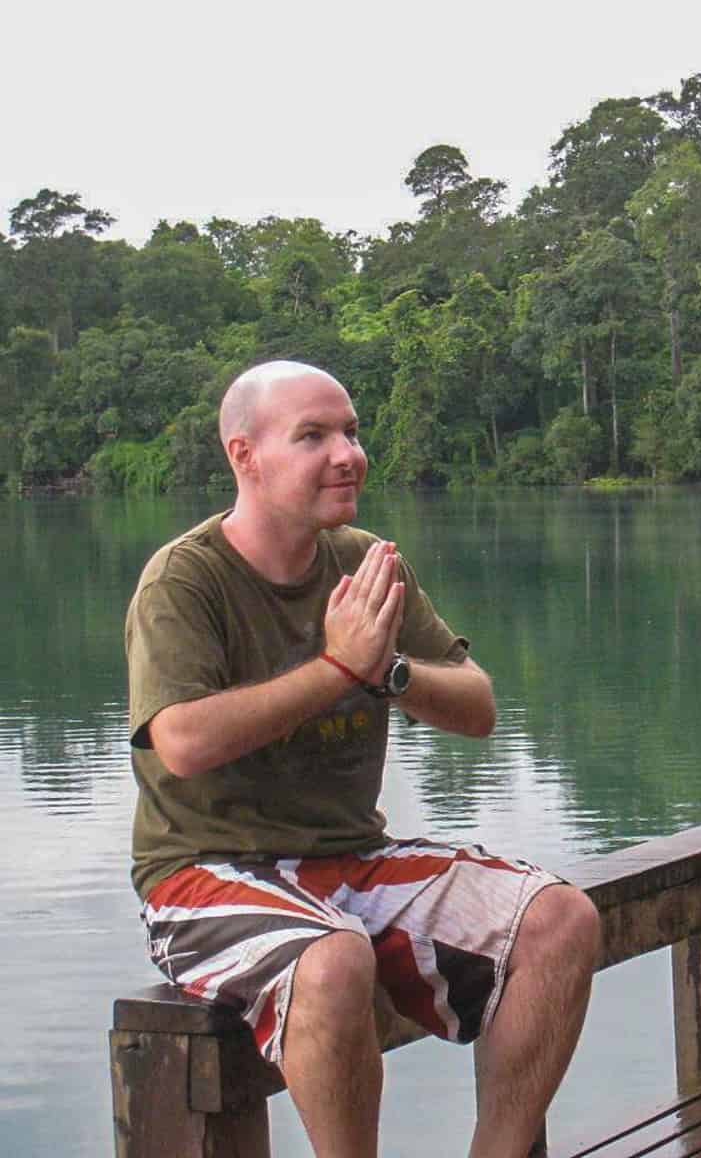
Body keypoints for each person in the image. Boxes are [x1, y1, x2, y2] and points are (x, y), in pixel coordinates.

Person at [124, 359, 599, 1158]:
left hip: (345, 860)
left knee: (559, 920)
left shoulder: (369, 564)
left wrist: (388, 671)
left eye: (349, 430)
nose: (346, 452)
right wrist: (336, 670)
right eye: (313, 436)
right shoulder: (186, 580)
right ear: (246, 456)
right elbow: (183, 742)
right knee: (333, 960)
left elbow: (477, 708)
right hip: (200, 872)